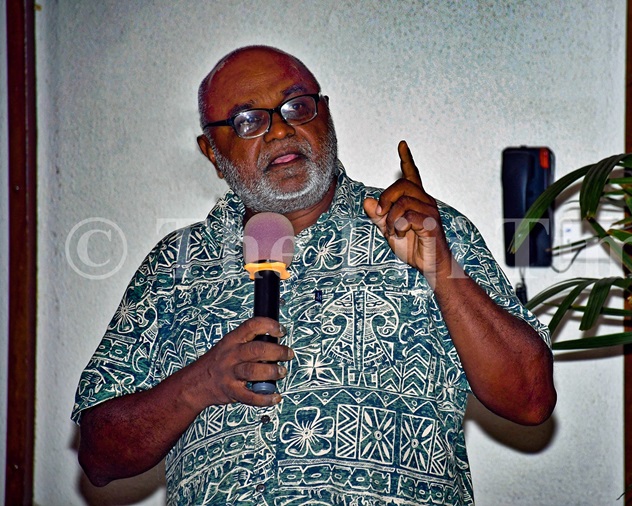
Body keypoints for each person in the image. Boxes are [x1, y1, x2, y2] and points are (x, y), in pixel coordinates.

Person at [73, 45, 556, 505]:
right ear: (212, 152)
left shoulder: (424, 226)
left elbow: (531, 400)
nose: (280, 130)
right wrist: (203, 383)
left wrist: (440, 268)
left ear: (325, 114)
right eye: (248, 120)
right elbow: (99, 456)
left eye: (297, 106)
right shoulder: (174, 264)